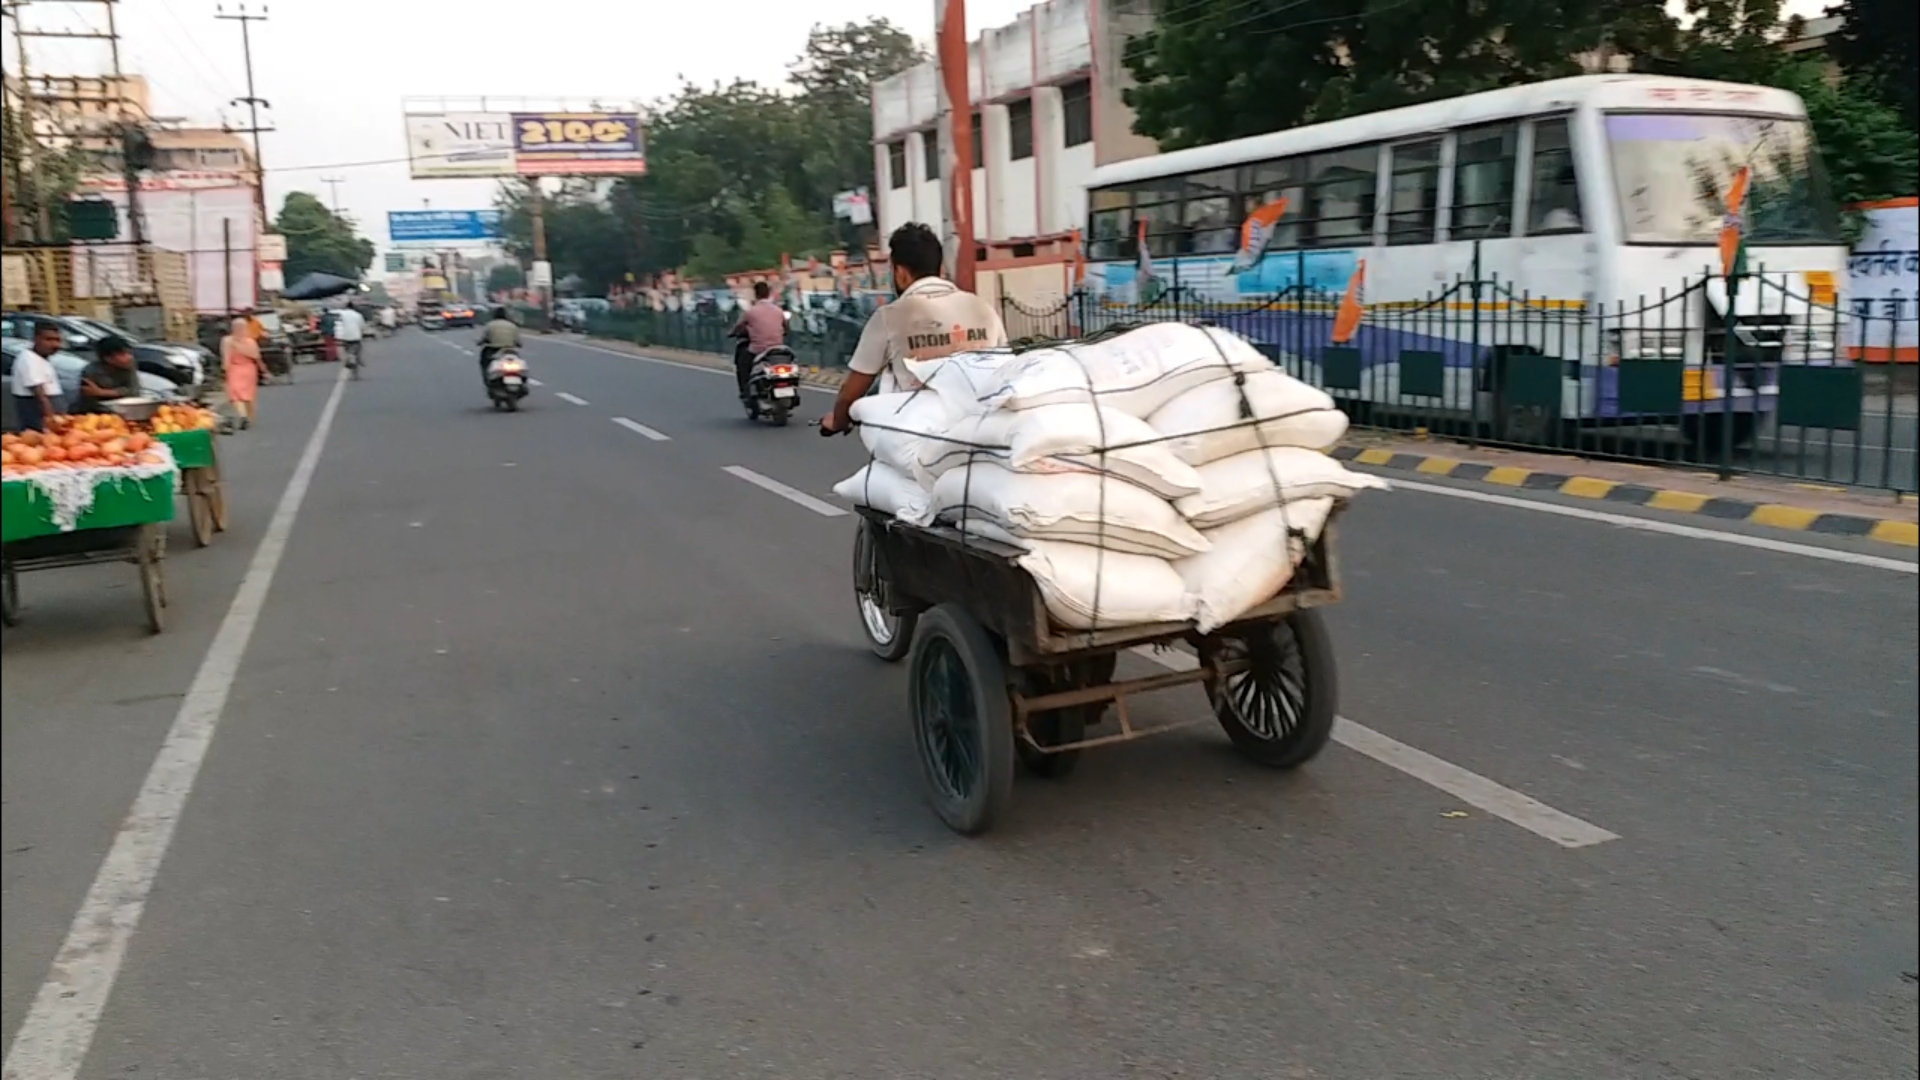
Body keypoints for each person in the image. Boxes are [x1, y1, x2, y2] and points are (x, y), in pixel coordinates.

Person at [820, 222, 1007, 435]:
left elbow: (850, 393)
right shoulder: (983, 308)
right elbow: (1006, 373)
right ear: (941, 269)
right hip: (981, 429)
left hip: (918, 436)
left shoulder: (889, 317)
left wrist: (838, 421)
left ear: (900, 273)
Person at [728, 281, 787, 400]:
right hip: (778, 348)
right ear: (768, 293)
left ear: (755, 294)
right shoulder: (778, 310)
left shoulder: (751, 312)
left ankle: (745, 391)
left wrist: (731, 333)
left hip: (758, 349)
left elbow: (738, 327)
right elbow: (786, 327)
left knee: (742, 364)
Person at [11, 323, 67, 431]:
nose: (55, 344)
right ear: (36, 339)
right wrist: (51, 420)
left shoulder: (40, 358)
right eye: (48, 340)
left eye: (57, 340)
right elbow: (40, 396)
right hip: (37, 417)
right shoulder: (29, 360)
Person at [74, 335, 142, 415]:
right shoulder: (91, 372)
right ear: (108, 359)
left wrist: (102, 392)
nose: (129, 357)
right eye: (122, 354)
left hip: (127, 410)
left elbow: (134, 391)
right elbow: (90, 402)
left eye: (129, 353)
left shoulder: (130, 364)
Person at [221, 317, 263, 429]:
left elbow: (226, 358)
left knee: (235, 394)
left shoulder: (227, 341)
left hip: (235, 369)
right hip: (249, 369)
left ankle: (244, 416)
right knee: (246, 395)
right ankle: (246, 417)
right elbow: (256, 356)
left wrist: (224, 371)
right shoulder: (250, 341)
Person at [476, 306, 522, 378]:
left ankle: (487, 377)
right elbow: (518, 341)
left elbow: (484, 338)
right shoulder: (512, 325)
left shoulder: (490, 325)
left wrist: (480, 342)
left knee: (484, 362)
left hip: (494, 349)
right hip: (510, 349)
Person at [334, 303, 367, 368]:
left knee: (347, 350)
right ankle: (355, 360)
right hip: (355, 336)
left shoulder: (341, 314)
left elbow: (337, 325)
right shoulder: (358, 315)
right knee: (355, 350)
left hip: (343, 336)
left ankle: (350, 360)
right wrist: (362, 333)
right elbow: (362, 326)